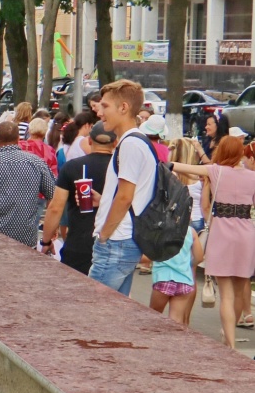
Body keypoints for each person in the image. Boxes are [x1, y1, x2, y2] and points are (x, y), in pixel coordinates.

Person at [168, 136, 255, 348]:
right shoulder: (253, 177)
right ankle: (229, 334)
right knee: (238, 291)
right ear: (241, 153)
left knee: (225, 294)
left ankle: (230, 344)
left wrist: (164, 158)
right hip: (246, 233)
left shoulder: (216, 171)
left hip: (222, 233)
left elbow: (181, 166)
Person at [90, 80, 157, 296]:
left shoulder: (130, 144)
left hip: (116, 242)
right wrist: (104, 201)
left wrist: (104, 235)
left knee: (90, 313)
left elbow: (125, 197)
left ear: (124, 107)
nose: (100, 112)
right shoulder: (139, 141)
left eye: (105, 106)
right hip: (124, 240)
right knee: (113, 317)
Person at [41, 122, 117, 275]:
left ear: (89, 140)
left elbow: (56, 207)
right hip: (114, 243)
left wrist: (46, 240)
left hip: (78, 243)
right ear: (115, 143)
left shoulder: (72, 167)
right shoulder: (122, 169)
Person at [0, 121, 56, 248]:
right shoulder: (37, 163)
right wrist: (49, 233)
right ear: (18, 139)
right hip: (26, 240)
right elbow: (53, 198)